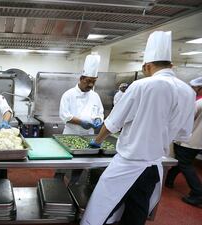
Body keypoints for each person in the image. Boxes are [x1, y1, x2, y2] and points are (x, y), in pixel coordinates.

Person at [81, 31, 195, 225]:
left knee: (101, 210)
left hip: (127, 165)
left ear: (148, 65)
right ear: (171, 65)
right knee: (137, 212)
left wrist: (97, 141)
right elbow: (183, 134)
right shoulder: (188, 92)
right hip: (154, 166)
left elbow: (112, 123)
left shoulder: (142, 86)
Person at [58, 53, 104, 184]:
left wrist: (98, 120)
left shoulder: (95, 96)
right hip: (70, 134)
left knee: (80, 165)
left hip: (88, 136)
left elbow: (100, 112)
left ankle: (74, 185)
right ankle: (56, 183)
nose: (90, 84)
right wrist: (81, 122)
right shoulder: (69, 94)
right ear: (81, 78)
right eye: (88, 81)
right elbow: (64, 115)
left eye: (93, 82)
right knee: (62, 164)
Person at [165, 76, 202, 207]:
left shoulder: (198, 104)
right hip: (198, 143)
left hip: (188, 141)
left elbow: (186, 121)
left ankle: (198, 194)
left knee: (185, 164)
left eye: (194, 88)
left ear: (199, 88)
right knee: (181, 162)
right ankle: (168, 181)